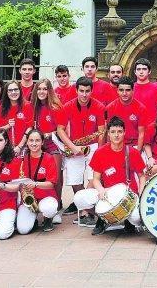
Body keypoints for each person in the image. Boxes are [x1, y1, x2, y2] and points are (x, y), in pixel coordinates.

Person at [73, 116, 146, 235]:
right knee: (79, 198)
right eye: (113, 132)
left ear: (124, 133)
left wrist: (141, 193)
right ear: (108, 134)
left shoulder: (132, 152)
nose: (116, 135)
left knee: (137, 218)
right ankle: (103, 218)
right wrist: (101, 190)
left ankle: (128, 220)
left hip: (128, 193)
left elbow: (142, 176)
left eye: (119, 132)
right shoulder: (100, 152)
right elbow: (95, 179)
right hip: (108, 192)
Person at [56, 77, 105, 218]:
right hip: (74, 145)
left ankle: (85, 209)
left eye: (87, 91)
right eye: (81, 91)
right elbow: (60, 129)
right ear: (76, 90)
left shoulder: (99, 106)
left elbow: (101, 132)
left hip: (93, 145)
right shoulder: (67, 106)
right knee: (74, 180)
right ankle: (86, 205)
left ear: (92, 91)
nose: (84, 94)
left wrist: (99, 152)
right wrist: (72, 147)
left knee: (92, 177)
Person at [16, 129, 60, 234]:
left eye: (37, 140)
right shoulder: (22, 160)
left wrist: (35, 184)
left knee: (49, 207)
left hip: (46, 196)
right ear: (27, 142)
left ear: (42, 142)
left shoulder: (49, 158)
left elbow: (51, 184)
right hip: (29, 198)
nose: (34, 143)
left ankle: (48, 218)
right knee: (23, 230)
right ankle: (33, 219)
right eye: (31, 140)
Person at [31, 79, 65, 206]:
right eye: (39, 89)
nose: (42, 91)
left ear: (49, 91)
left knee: (55, 177)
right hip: (37, 145)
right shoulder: (33, 107)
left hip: (53, 145)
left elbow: (62, 129)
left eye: (45, 89)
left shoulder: (56, 107)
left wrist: (49, 134)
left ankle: (57, 203)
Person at [0, 81, 34, 155]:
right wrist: (8, 126)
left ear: (20, 91)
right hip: (5, 147)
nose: (13, 92)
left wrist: (19, 147)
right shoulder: (1, 108)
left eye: (16, 89)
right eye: (10, 90)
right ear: (6, 93)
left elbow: (29, 128)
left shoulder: (27, 105)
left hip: (24, 147)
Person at [105, 76, 147, 150]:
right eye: (121, 90)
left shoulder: (141, 108)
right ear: (117, 90)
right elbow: (109, 132)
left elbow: (141, 133)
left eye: (127, 90)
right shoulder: (110, 108)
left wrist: (137, 153)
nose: (124, 93)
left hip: (134, 145)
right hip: (116, 145)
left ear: (132, 91)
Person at [133, 58, 157, 124]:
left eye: (144, 69)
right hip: (132, 128)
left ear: (149, 71)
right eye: (138, 69)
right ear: (135, 72)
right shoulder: (129, 89)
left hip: (152, 128)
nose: (141, 72)